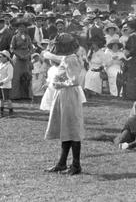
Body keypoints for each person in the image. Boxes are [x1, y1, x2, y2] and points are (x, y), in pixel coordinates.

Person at [44, 33, 86, 175]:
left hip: (68, 94)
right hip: (64, 95)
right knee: (65, 129)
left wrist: (59, 84)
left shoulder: (71, 59)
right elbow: (55, 58)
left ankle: (76, 165)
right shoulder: (69, 58)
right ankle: (62, 163)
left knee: (72, 129)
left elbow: (74, 80)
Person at [10, 18, 33, 100]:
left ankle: (26, 95)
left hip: (26, 57)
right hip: (17, 57)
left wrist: (28, 55)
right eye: (20, 27)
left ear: (25, 28)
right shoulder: (15, 37)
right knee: (16, 76)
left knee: (26, 75)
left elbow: (31, 48)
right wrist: (19, 55)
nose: (21, 28)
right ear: (17, 28)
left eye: (23, 27)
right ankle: (16, 95)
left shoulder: (28, 37)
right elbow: (12, 48)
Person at [0, 50, 14, 118]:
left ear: (6, 58)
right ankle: (1, 112)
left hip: (5, 85)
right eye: (0, 57)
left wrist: (3, 82)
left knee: (7, 99)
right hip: (0, 84)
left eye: (2, 57)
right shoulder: (1, 63)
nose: (0, 58)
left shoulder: (9, 66)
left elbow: (10, 76)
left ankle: (11, 111)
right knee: (0, 99)